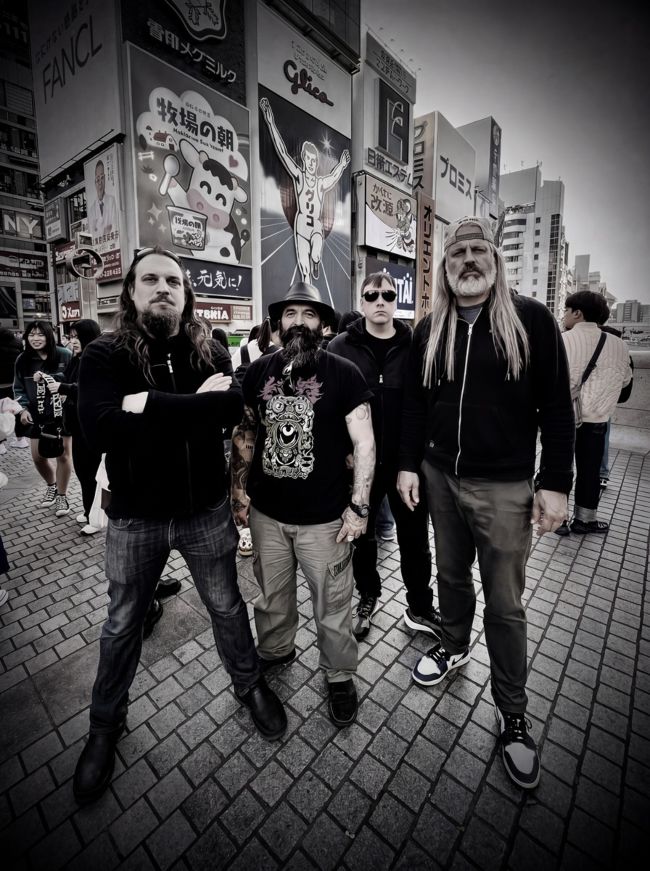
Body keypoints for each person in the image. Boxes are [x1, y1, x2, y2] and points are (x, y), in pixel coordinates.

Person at [73, 246, 286, 805]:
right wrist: (194, 407)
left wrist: (144, 405)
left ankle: (249, 685)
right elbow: (99, 430)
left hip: (204, 512)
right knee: (123, 623)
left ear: (186, 293)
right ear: (132, 291)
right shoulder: (103, 354)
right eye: (151, 279)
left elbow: (232, 408)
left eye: (173, 280)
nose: (163, 288)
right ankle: (104, 726)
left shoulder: (209, 347)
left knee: (227, 607)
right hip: (135, 518)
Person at [398, 216, 574, 790]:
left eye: (479, 250)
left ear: (495, 261)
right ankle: (452, 644)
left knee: (505, 601)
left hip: (504, 486)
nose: (468, 260)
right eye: (458, 253)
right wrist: (408, 464)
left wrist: (556, 482)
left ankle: (512, 711)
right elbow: (415, 403)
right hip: (440, 477)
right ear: (445, 267)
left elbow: (557, 406)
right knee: (450, 576)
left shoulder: (531, 320)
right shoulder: (431, 328)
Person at [231, 281, 375, 727]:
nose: (298, 321)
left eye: (308, 314)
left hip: (326, 520)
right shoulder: (258, 371)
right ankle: (276, 650)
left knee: (333, 605)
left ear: (323, 324)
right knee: (271, 598)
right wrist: (238, 494)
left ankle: (339, 676)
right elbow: (245, 433)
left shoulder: (344, 373)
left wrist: (359, 507)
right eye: (290, 313)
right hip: (267, 516)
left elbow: (364, 443)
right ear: (278, 323)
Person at [328, 272, 438, 641]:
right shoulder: (340, 346)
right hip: (359, 466)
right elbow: (329, 406)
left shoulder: (414, 344)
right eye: (372, 295)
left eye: (388, 295)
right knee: (361, 536)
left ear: (396, 301)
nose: (380, 301)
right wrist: (344, 451)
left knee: (415, 539)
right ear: (361, 301)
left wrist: (411, 461)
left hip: (405, 464)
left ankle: (420, 606)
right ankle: (367, 595)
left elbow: (421, 407)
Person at [557, 291, 632, 534]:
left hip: (564, 418)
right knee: (590, 471)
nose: (564, 315)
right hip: (598, 420)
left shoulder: (563, 340)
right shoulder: (620, 345)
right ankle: (585, 520)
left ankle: (558, 520)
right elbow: (625, 385)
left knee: (559, 467)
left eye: (566, 310)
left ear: (577, 313)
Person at [260, 98, 350, 283]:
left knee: (315, 255)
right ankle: (308, 285)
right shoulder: (299, 176)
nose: (311, 163)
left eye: (314, 160)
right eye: (308, 159)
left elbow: (333, 177)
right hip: (301, 224)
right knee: (304, 267)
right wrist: (270, 122)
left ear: (316, 162)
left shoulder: (320, 183)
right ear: (303, 158)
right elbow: (283, 153)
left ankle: (316, 261)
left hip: (315, 225)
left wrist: (341, 164)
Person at [13, 321, 73, 515]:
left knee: (63, 455)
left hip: (61, 415)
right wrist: (22, 409)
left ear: (49, 336)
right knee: (38, 457)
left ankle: (62, 497)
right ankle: (52, 485)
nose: (36, 338)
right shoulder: (22, 359)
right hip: (36, 415)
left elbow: (74, 381)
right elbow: (18, 388)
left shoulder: (64, 355)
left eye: (40, 334)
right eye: (32, 334)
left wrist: (66, 393)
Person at [58, 320, 102, 534]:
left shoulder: (95, 358)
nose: (73, 341)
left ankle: (96, 518)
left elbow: (88, 388)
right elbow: (68, 380)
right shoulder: (76, 358)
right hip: (77, 424)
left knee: (92, 472)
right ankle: (88, 511)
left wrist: (62, 387)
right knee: (83, 471)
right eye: (71, 337)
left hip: (91, 425)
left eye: (77, 337)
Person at [0, 328, 24, 452]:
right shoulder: (18, 343)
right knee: (16, 409)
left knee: (0, 413)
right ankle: (21, 439)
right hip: (14, 383)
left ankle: (1, 444)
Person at [87, 159, 117, 239]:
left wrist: (99, 230)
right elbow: (92, 236)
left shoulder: (112, 201)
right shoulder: (92, 210)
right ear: (95, 182)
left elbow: (115, 227)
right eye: (97, 179)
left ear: (105, 179)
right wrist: (105, 230)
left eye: (102, 177)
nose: (100, 182)